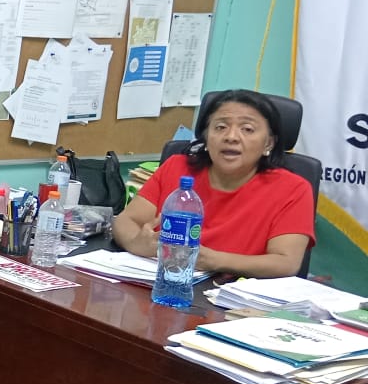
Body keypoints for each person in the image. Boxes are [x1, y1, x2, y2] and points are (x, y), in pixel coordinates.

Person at [113, 89, 315, 279]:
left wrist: (213, 260)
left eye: (247, 129)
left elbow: (286, 262)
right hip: (163, 281)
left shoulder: (293, 189)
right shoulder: (177, 167)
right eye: (220, 127)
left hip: (234, 295)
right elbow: (125, 221)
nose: (231, 137)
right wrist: (136, 243)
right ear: (206, 137)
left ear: (268, 143)